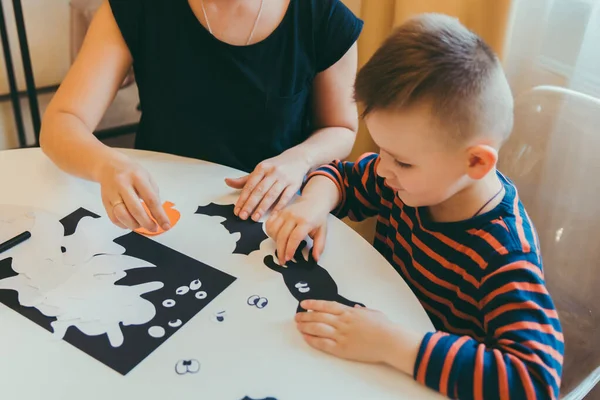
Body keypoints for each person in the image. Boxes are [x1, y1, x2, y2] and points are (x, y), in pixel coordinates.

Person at [266, 13, 564, 400]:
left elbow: (534, 382)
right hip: (379, 354)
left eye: (402, 160)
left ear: (475, 162)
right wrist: (313, 202)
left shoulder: (504, 253)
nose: (383, 169)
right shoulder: (407, 180)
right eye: (380, 150)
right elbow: (342, 177)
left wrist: (391, 343)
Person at [40, 0, 362, 233]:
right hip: (161, 214)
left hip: (270, 221)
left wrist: (300, 159)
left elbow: (340, 127)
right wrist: (106, 164)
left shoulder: (323, 16)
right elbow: (62, 121)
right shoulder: (136, 7)